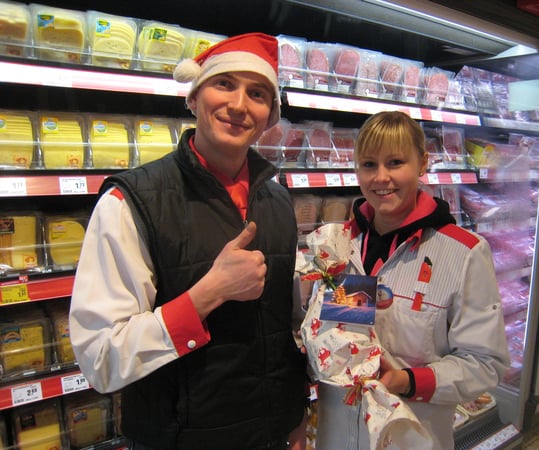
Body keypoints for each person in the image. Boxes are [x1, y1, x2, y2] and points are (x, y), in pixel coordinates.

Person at [69, 32, 307, 450]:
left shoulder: (277, 199)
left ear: (270, 115)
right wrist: (207, 294)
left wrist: (295, 416)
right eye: (224, 84)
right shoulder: (131, 202)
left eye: (257, 93)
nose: (239, 105)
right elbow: (101, 358)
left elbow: (280, 334)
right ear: (194, 97)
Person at [307, 111, 511, 449]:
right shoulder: (339, 244)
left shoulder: (463, 253)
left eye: (395, 162)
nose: (381, 177)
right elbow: (336, 333)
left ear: (422, 163)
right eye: (368, 164)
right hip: (338, 434)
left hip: (412, 436)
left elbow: (485, 364)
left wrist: (406, 381)